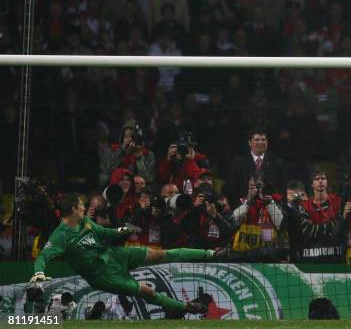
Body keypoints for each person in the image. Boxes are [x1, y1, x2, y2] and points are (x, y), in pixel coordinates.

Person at [29, 193, 215, 316]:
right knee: (146, 291)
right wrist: (38, 273)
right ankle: (186, 308)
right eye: (81, 206)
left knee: (160, 254)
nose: (84, 208)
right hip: (103, 276)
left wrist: (122, 229)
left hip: (115, 255)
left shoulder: (85, 222)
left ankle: (211, 254)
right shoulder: (60, 235)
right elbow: (43, 256)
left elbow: (105, 233)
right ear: (72, 210)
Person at [226, 127, 287, 207]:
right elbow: (232, 190)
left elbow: (282, 191)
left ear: (267, 142)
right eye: (257, 139)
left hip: (270, 210)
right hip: (245, 210)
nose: (261, 142)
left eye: (263, 139)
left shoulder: (277, 163)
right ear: (250, 143)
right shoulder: (239, 163)